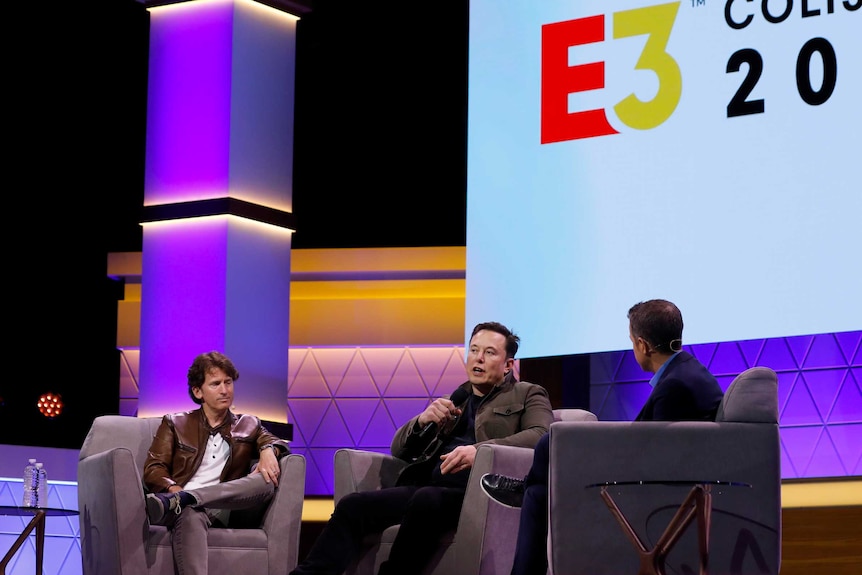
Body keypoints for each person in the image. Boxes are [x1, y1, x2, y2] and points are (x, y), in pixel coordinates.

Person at [289, 321, 554, 575]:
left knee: (426, 500)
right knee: (352, 506)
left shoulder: (528, 393)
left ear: (508, 365)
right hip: (427, 485)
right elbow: (399, 450)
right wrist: (422, 421)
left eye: (489, 352)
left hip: (477, 493)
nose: (478, 358)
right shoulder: (456, 398)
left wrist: (481, 451)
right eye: (473, 350)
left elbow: (542, 436)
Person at [481, 299, 725, 575]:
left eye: (632, 341)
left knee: (547, 459)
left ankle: (522, 490)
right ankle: (526, 489)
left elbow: (655, 460)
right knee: (542, 477)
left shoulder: (676, 386)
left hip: (651, 494)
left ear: (642, 345)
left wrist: (595, 459)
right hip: (656, 481)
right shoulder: (687, 372)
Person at [142, 351, 290, 575]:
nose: (224, 390)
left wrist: (268, 449)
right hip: (187, 506)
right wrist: (174, 489)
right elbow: (154, 468)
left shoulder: (248, 424)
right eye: (216, 384)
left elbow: (273, 440)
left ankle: (186, 499)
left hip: (228, 506)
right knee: (190, 511)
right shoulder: (175, 423)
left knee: (267, 481)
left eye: (228, 382)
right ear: (198, 391)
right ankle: (185, 499)